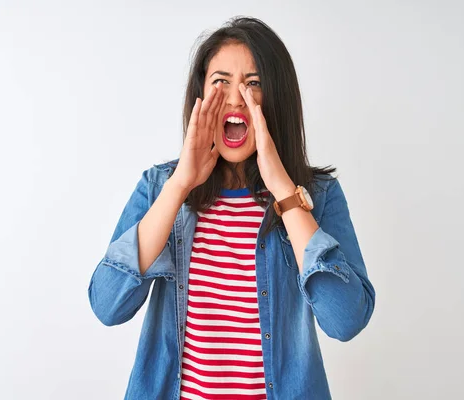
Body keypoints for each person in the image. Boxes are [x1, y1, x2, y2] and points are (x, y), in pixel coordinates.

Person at [88, 16, 376, 400]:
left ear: (276, 98)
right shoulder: (159, 187)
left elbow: (346, 320)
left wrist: (284, 190)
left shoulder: (317, 196)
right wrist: (179, 186)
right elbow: (107, 306)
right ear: (201, 98)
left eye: (253, 83)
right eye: (221, 81)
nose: (236, 97)